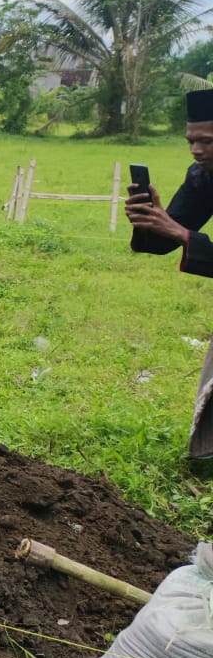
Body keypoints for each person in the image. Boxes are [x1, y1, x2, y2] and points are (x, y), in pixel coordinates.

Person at [127, 88, 213, 457]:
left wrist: (179, 233)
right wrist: (150, 220)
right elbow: (167, 237)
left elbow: (181, 234)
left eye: (206, 141)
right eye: (190, 141)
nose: (195, 149)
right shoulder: (203, 176)